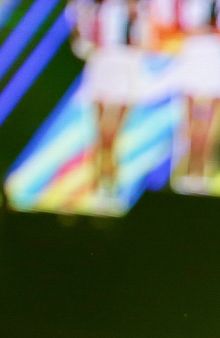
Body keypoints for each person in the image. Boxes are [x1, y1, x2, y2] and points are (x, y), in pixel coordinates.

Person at [73, 0, 146, 207]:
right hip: (101, 69)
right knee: (101, 135)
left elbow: (145, 41)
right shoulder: (92, 9)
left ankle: (109, 187)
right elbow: (81, 44)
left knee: (113, 136)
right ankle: (98, 187)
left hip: (127, 71)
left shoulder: (137, 8)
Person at [167, 0, 220, 194]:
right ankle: (186, 175)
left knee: (210, 130)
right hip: (191, 60)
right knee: (190, 127)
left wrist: (204, 31)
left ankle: (203, 177)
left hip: (216, 62)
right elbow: (174, 26)